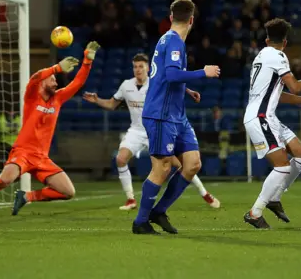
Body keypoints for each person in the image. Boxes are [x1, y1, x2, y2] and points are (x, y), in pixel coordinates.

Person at [0, 42, 100, 218]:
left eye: (56, 79)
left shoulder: (57, 99)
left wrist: (87, 60)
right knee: (5, 179)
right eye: (52, 78)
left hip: (42, 157)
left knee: (68, 192)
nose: (55, 82)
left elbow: (78, 82)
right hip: (23, 153)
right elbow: (35, 77)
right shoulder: (32, 95)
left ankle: (27, 196)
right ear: (43, 81)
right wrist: (56, 68)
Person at [82, 53, 220, 211]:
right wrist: (97, 100)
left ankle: (204, 193)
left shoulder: (154, 83)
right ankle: (130, 199)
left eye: (141, 66)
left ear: (148, 68)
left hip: (156, 129)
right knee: (120, 159)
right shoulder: (126, 85)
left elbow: (172, 84)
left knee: (182, 164)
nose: (138, 70)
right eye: (135, 66)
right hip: (136, 130)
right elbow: (112, 104)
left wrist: (188, 91)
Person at [132, 0, 221, 235]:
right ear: (191, 20)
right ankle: (140, 222)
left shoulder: (168, 40)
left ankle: (158, 211)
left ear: (171, 17)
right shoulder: (173, 42)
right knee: (162, 168)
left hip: (176, 114)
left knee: (192, 164)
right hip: (161, 114)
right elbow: (171, 75)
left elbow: (164, 75)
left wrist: (186, 89)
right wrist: (204, 72)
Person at [242, 18, 301, 229]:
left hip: (267, 116)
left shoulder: (261, 56)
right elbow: (296, 87)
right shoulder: (278, 56)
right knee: (282, 167)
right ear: (285, 42)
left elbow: (281, 95)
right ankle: (255, 213)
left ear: (266, 39)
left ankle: (275, 197)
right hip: (260, 117)